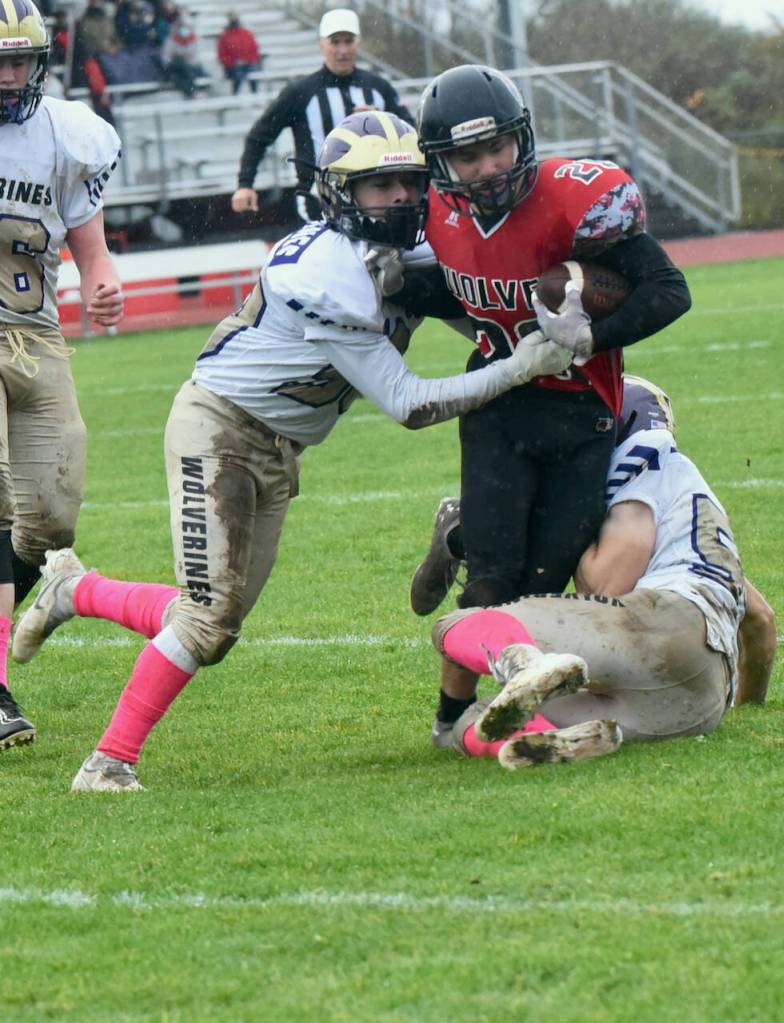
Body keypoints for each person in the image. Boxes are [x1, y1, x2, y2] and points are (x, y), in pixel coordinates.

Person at [10, 111, 572, 789]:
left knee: (214, 622)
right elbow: (409, 403)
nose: (397, 197)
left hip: (280, 446)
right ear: (339, 193)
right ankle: (107, 763)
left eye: (406, 181)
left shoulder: (413, 246)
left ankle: (76, 588)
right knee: (206, 618)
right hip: (218, 429)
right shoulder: (325, 272)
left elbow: (464, 306)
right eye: (377, 185)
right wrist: (519, 365)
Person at [415, 64, 691, 614]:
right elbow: (454, 289)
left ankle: (460, 535)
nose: (488, 168)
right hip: (496, 398)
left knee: (544, 589)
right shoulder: (428, 211)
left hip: (582, 406)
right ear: (441, 162)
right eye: (468, 157)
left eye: (496, 147)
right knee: (494, 585)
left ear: (520, 136)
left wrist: (593, 337)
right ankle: (458, 704)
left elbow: (669, 290)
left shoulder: (573, 201)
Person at [422, 375, 777, 764]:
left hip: (663, 628)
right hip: (699, 700)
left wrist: (559, 530)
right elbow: (760, 621)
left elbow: (609, 583)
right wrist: (747, 704)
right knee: (480, 721)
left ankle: (517, 664)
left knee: (462, 622)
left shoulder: (642, 461)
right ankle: (548, 738)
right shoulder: (691, 507)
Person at [0, 0, 124, 752]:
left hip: (35, 333)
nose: (9, 74)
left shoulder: (69, 137)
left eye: (19, 59)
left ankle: (27, 595)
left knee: (51, 515)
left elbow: (91, 247)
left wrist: (102, 283)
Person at [231, 8, 412, 226]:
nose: (343, 50)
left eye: (349, 41)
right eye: (335, 42)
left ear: (358, 43)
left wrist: (382, 121)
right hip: (317, 201)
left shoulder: (378, 87)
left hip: (374, 200)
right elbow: (259, 136)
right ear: (322, 45)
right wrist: (245, 183)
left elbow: (410, 133)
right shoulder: (300, 91)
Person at [217, 12, 261, 95]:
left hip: (248, 63)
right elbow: (222, 56)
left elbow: (255, 50)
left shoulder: (246, 33)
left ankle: (255, 94)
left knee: (253, 72)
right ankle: (235, 95)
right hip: (232, 66)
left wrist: (247, 60)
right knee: (237, 76)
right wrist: (233, 62)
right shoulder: (224, 36)